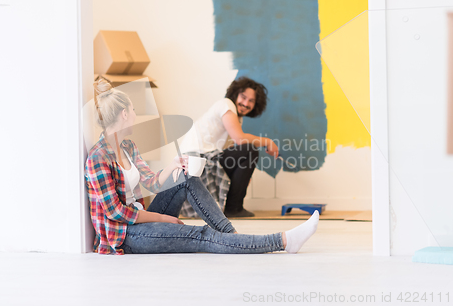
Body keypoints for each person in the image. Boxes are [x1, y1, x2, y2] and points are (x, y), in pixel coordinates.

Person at [84, 77, 318, 255]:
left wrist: (173, 166)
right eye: (134, 110)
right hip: (124, 235)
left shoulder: (128, 145)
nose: (136, 113)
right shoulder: (98, 158)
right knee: (201, 235)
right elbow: (116, 212)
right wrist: (163, 219)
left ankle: (232, 238)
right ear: (124, 114)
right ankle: (283, 241)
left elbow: (150, 181)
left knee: (186, 177)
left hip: (142, 217)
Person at [179, 77, 279, 218]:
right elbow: (240, 138)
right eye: (243, 97)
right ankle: (234, 208)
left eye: (251, 101)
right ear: (235, 94)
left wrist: (243, 175)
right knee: (249, 150)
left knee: (246, 153)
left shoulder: (237, 118)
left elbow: (233, 151)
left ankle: (233, 207)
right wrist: (267, 141)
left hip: (205, 160)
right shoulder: (226, 104)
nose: (245, 103)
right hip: (195, 161)